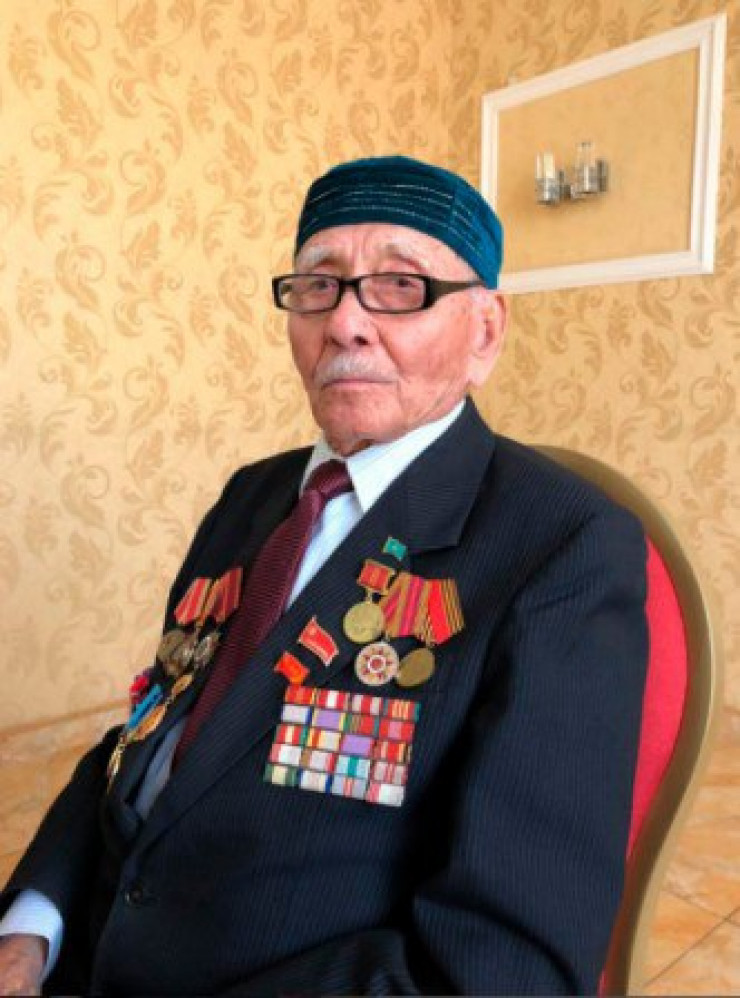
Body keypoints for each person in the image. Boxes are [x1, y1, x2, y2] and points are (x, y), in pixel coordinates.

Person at [0, 155, 648, 996]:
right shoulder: (252, 495)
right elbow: (152, 733)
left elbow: (501, 968)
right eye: (318, 285)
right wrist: (32, 924)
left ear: (484, 332)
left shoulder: (564, 545)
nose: (345, 323)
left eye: (401, 286)